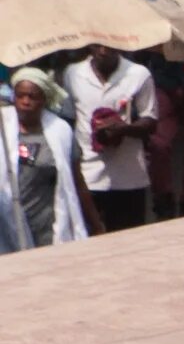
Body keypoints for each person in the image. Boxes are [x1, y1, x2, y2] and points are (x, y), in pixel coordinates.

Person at [60, 44, 158, 232]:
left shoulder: (139, 74)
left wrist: (124, 129)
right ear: (90, 46)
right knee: (89, 240)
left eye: (109, 47)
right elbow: (68, 119)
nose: (103, 52)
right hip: (88, 176)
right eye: (98, 46)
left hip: (129, 177)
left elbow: (151, 120)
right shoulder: (73, 73)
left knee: (129, 243)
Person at [3, 68, 95, 252]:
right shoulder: (2, 127)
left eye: (32, 96)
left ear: (44, 99)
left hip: (47, 225)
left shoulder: (61, 131)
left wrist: (95, 223)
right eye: (20, 96)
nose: (25, 102)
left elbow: (76, 181)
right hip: (7, 222)